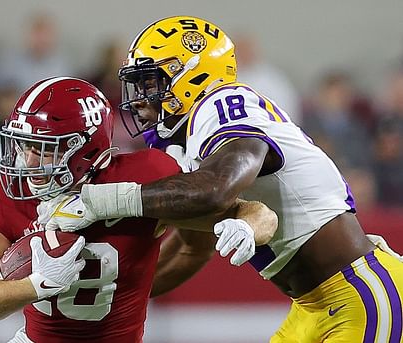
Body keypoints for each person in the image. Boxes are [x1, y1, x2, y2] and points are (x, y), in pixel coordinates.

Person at [44, 17, 403, 342]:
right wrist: (113, 295)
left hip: (359, 291)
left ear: (193, 75)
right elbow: (190, 247)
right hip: (311, 305)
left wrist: (99, 200)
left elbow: (215, 189)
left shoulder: (223, 102)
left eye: (150, 81)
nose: (140, 99)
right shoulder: (185, 142)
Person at [0, 77, 277, 343]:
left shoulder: (144, 175)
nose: (27, 162)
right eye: (23, 146)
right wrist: (36, 285)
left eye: (43, 150)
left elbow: (260, 215)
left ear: (84, 150)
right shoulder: (4, 187)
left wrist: (246, 227)